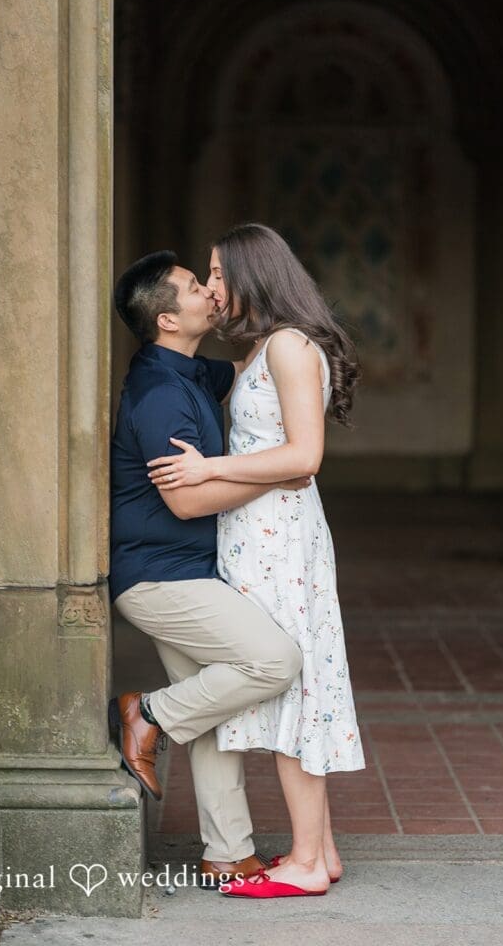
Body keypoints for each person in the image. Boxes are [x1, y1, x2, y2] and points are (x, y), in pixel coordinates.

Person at [146, 223, 367, 899]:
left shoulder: (291, 347)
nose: (212, 288)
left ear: (252, 275)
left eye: (217, 273)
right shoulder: (269, 346)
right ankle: (318, 852)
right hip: (261, 537)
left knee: (292, 690)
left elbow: (304, 457)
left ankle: (303, 862)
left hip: (279, 544)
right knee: (293, 689)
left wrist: (209, 466)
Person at [108, 249, 309, 890]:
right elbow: (187, 498)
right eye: (198, 287)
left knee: (215, 716)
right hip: (162, 577)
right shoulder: (162, 394)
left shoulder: (191, 371)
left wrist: (256, 294)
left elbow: (254, 366)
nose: (209, 294)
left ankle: (229, 852)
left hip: (186, 570)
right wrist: (279, 473)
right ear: (168, 318)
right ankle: (148, 713)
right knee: (274, 661)